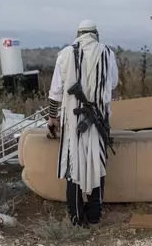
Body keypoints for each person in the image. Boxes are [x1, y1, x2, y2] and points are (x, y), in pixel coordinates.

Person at [46, 20, 119, 227]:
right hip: (98, 121)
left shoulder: (65, 54)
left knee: (73, 166)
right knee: (97, 165)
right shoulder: (107, 53)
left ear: (78, 33)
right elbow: (113, 84)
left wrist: (52, 119)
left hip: (72, 122)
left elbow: (55, 93)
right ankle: (94, 217)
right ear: (96, 33)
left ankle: (77, 219)